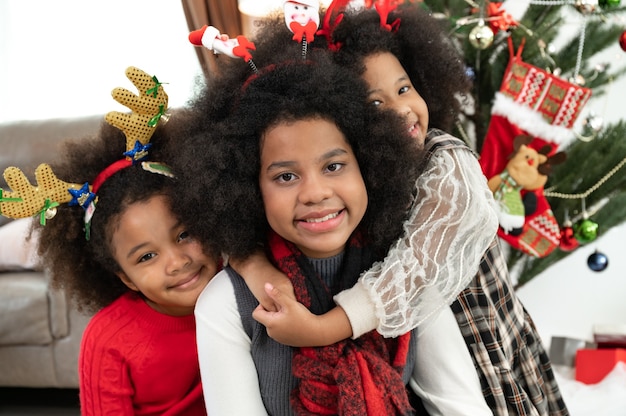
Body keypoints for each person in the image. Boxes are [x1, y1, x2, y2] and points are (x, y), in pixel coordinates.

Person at [242, 3, 569, 415]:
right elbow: (244, 220)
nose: (401, 109)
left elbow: (412, 270)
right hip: (410, 345)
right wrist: (255, 265)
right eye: (376, 105)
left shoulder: (446, 164)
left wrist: (323, 328)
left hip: (478, 338)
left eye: (404, 88)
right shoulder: (356, 178)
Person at [170, 49, 427, 414]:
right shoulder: (225, 305)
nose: (315, 193)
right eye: (286, 176)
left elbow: (457, 401)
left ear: (369, 164)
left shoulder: (406, 266)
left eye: (334, 166)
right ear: (247, 188)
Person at [8, 67, 220, 415]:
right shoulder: (109, 342)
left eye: (185, 234)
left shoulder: (241, 280)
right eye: (146, 256)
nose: (177, 261)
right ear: (124, 277)